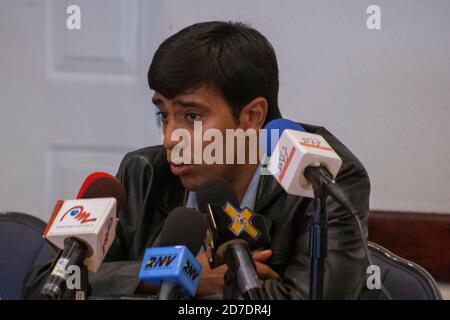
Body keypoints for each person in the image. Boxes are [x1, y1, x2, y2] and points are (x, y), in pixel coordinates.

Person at [24, 21, 370, 299]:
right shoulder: (144, 173)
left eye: (192, 116)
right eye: (164, 114)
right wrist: (180, 274)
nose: (170, 137)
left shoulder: (323, 177)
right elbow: (49, 283)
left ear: (251, 116)